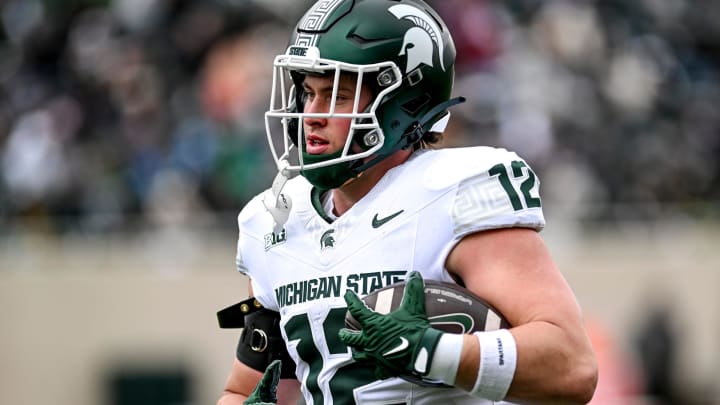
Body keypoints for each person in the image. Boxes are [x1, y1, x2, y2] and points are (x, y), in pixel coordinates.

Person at [217, 0, 598, 404]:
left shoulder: (454, 194)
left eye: (337, 96)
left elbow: (572, 367)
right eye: (309, 93)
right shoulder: (275, 222)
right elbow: (244, 389)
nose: (312, 114)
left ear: (403, 103)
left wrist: (435, 353)